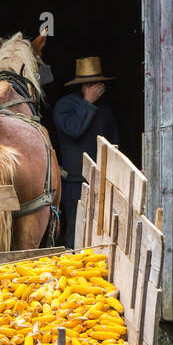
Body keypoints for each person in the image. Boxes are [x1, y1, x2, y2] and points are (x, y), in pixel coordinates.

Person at [53, 56, 119, 248]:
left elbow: (113, 142)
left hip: (104, 179)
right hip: (75, 182)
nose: (96, 88)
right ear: (81, 86)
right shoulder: (65, 106)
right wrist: (88, 103)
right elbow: (74, 130)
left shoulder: (105, 108)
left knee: (103, 229)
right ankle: (74, 266)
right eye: (90, 84)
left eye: (98, 83)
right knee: (76, 229)